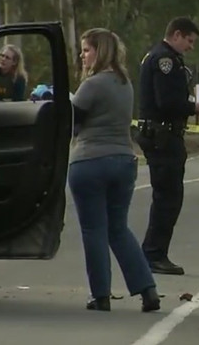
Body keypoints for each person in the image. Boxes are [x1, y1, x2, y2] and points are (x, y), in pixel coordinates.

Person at [68, 28, 161, 312]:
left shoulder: (92, 85)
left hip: (90, 160)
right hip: (123, 160)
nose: (82, 56)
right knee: (118, 228)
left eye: (86, 49)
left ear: (101, 51)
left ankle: (101, 294)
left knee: (93, 229)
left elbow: (72, 122)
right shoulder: (124, 84)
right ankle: (147, 289)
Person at [136, 16, 199, 275]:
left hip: (164, 135)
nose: (191, 47)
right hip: (162, 138)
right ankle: (153, 254)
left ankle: (154, 251)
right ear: (177, 35)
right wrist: (197, 107)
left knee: (169, 197)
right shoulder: (165, 61)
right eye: (189, 41)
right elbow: (167, 102)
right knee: (167, 198)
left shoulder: (164, 57)